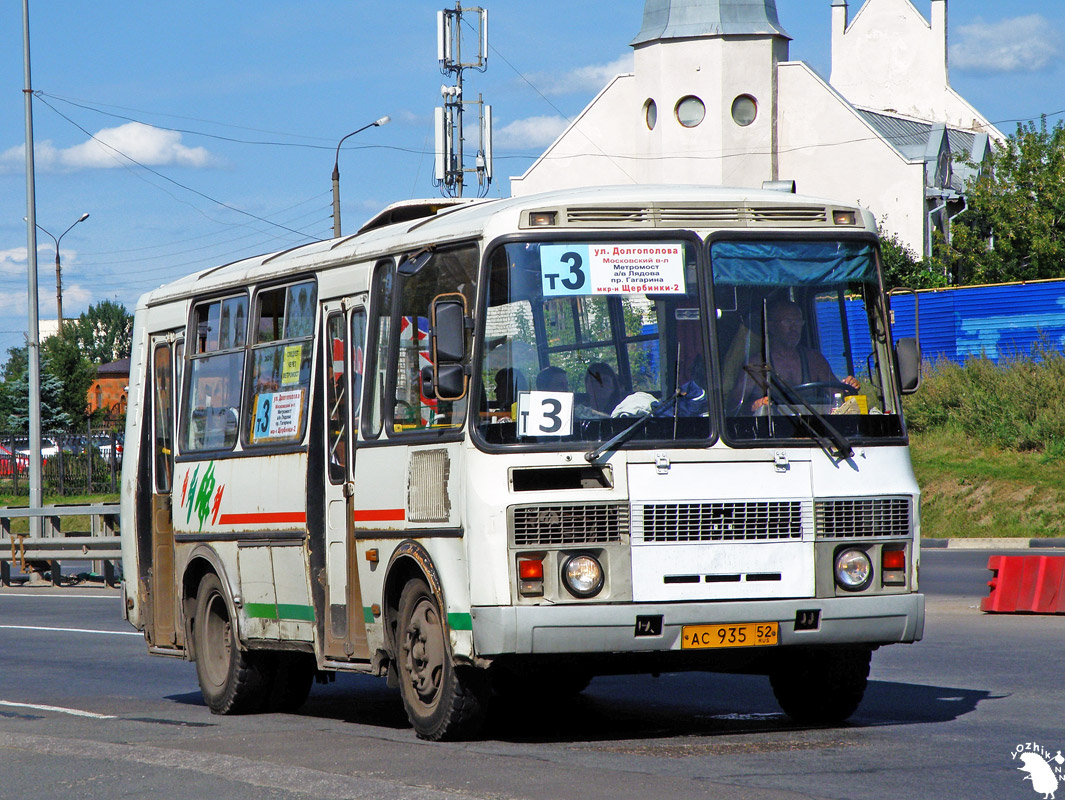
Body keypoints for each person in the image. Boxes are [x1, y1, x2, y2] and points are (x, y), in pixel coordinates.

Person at [731, 299, 859, 412]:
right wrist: (755, 404)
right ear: (770, 326)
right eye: (787, 322)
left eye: (798, 322)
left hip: (816, 431)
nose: (794, 328)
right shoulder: (756, 365)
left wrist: (848, 388)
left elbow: (838, 396)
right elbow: (734, 407)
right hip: (774, 435)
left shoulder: (815, 360)